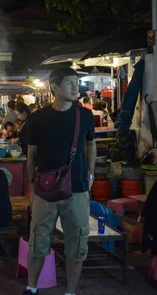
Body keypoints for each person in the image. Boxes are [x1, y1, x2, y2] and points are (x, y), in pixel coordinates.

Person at [23, 68, 96, 295]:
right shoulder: (37, 118)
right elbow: (31, 154)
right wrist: (32, 187)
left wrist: (90, 175)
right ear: (54, 88)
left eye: (77, 83)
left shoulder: (84, 115)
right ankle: (31, 288)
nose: (76, 88)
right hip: (45, 191)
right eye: (70, 83)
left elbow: (91, 145)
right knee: (38, 242)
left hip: (77, 190)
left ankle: (70, 291)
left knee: (77, 244)